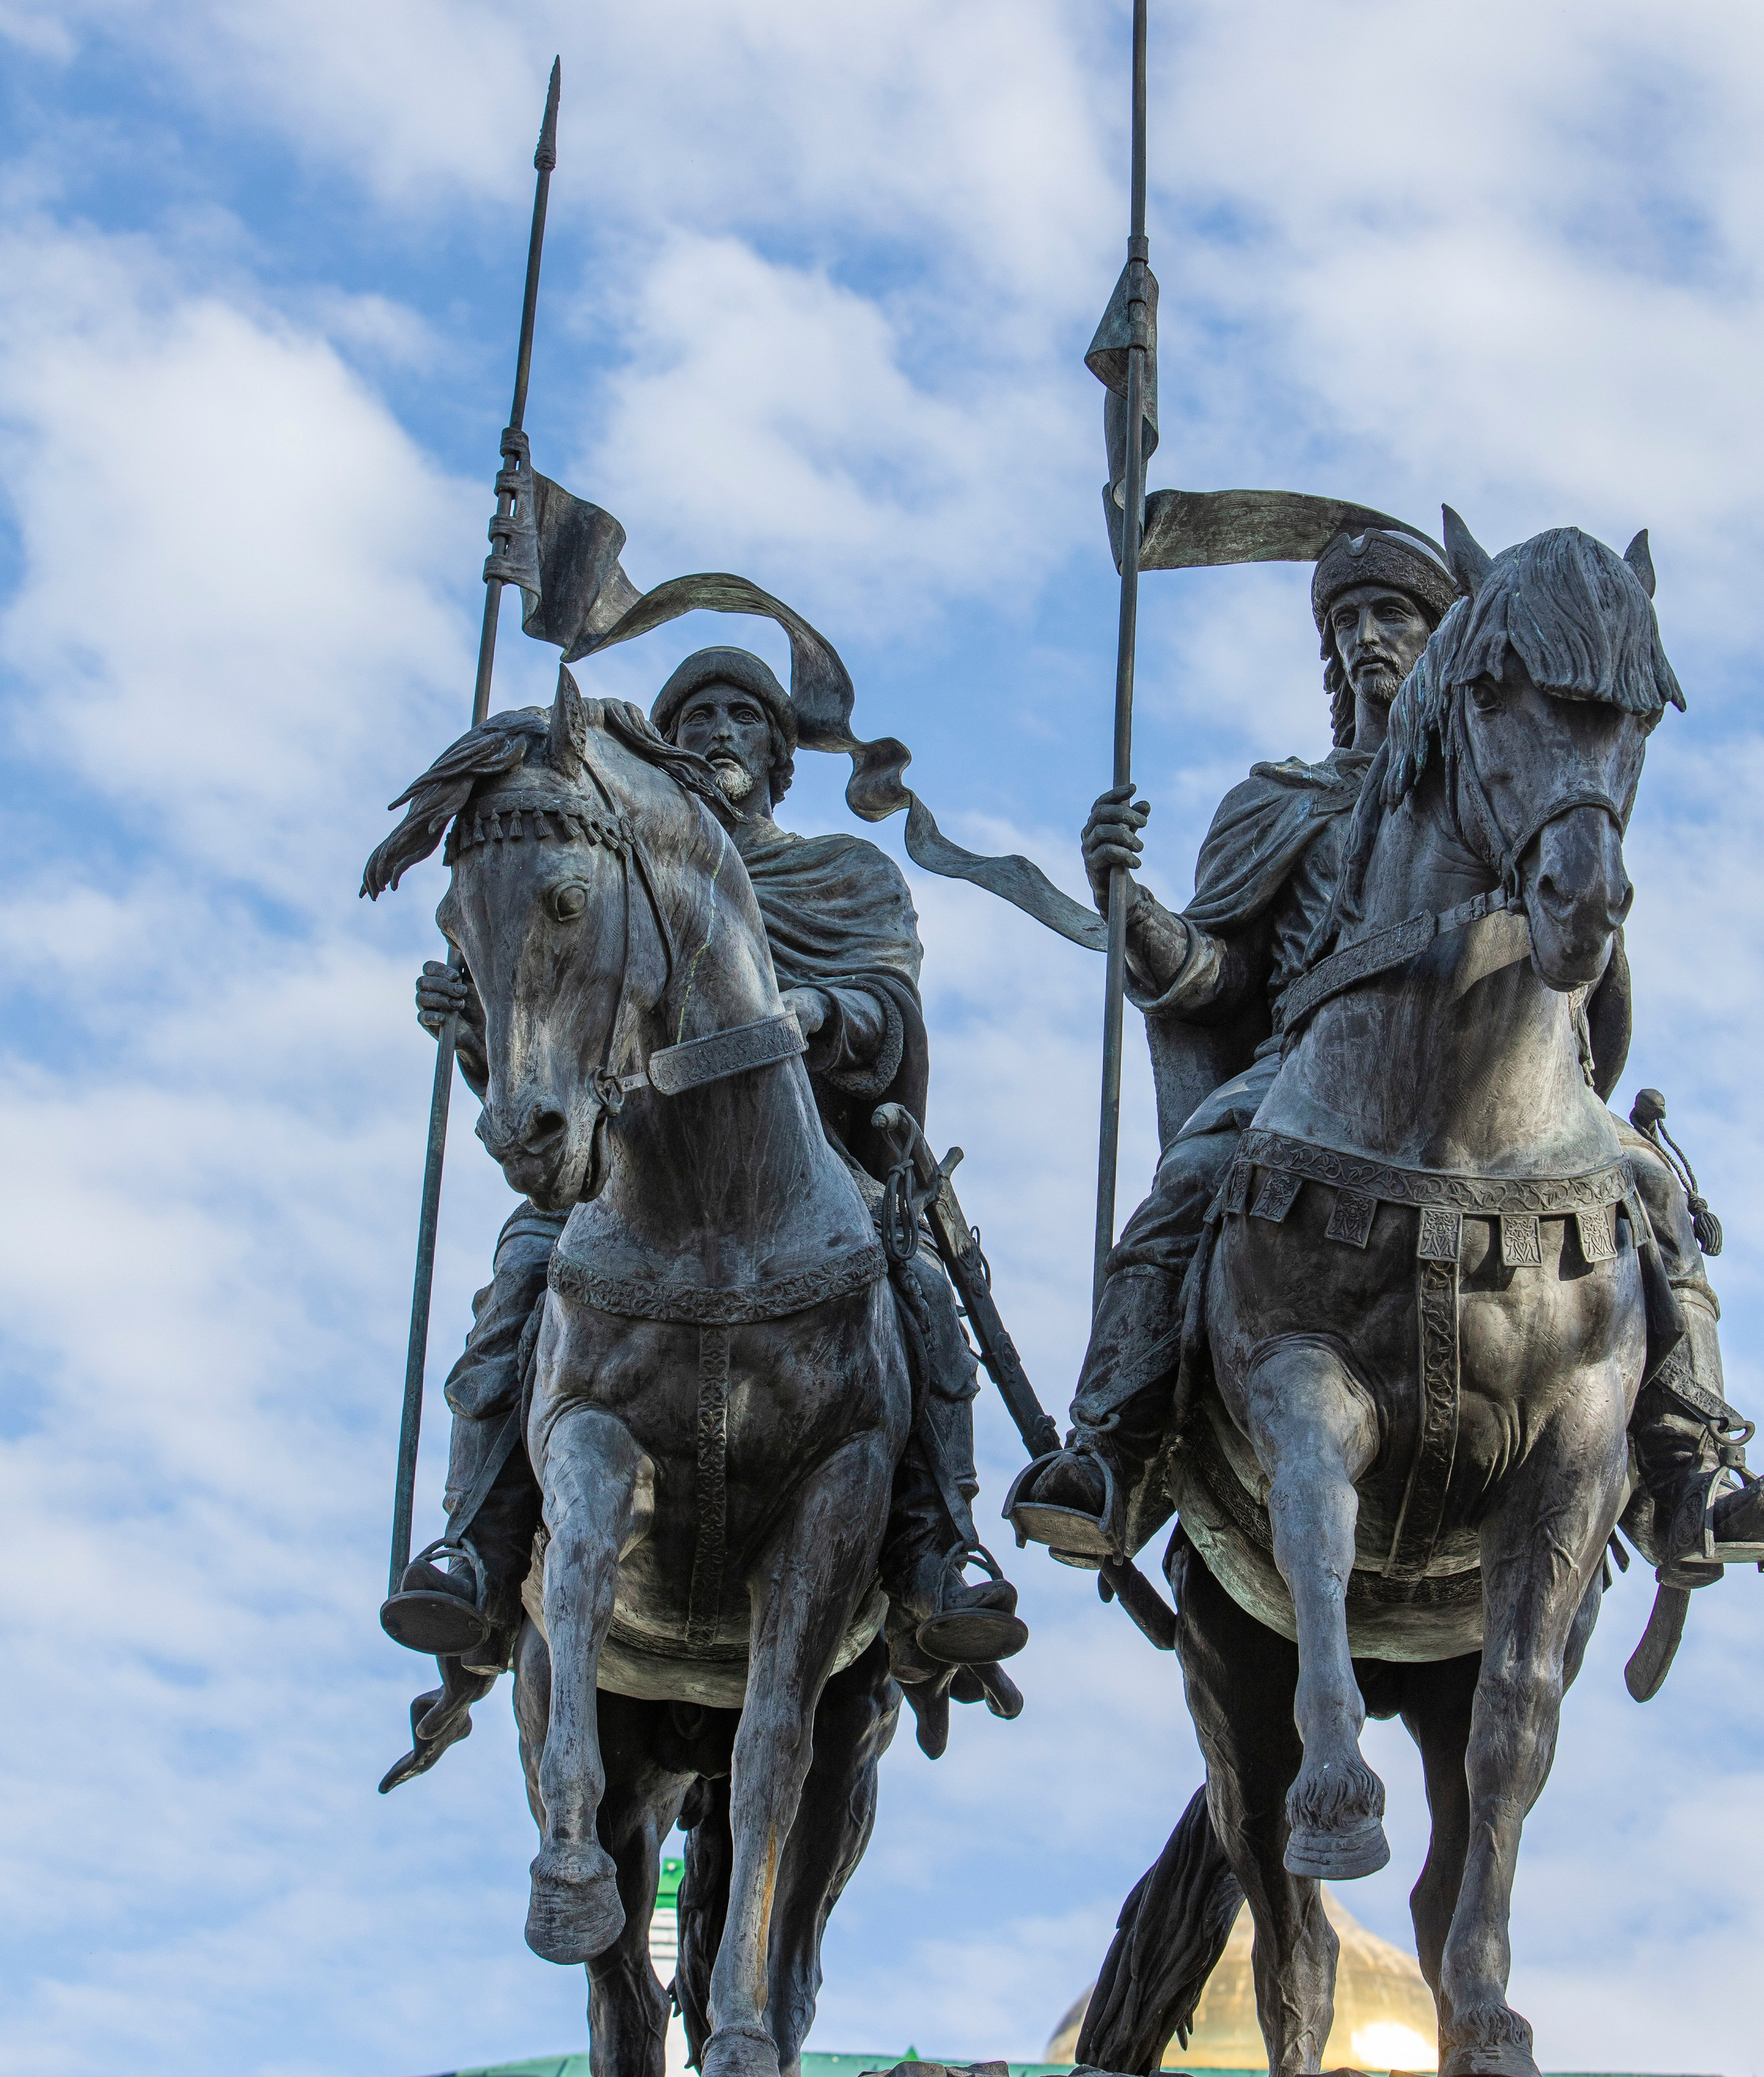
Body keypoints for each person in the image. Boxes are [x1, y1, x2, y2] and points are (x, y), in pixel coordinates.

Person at [1011, 526, 1750, 1599]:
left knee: (1652, 1192)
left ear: (1454, 640)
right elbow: (1218, 974)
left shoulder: (1511, 776)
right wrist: (1135, 916)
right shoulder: (1282, 798)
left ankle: (1687, 1470)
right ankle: (1114, 1452)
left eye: (1392, 616)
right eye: (1346, 621)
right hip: (1313, 1077)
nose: (1365, 639)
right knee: (1190, 1178)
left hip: (1510, 1085)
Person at [384, 648, 1025, 1777]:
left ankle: (938, 1549)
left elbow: (891, 1011)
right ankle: (478, 1548)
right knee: (522, 1271)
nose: (724, 730)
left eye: (745, 716)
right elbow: (559, 1051)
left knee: (921, 1286)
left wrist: (824, 1008)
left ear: (781, 756)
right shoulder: (615, 874)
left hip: (820, 1168)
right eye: (701, 716)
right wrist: (479, 1025)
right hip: (628, 1175)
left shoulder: (845, 872)